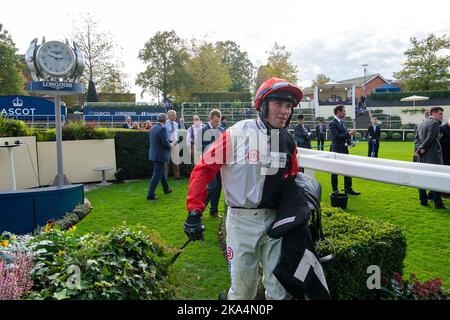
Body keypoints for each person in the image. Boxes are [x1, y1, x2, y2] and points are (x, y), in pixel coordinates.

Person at [184, 77, 302, 300]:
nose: (285, 111)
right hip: (241, 223)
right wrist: (194, 211)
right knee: (243, 292)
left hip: (276, 222)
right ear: (262, 105)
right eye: (279, 103)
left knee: (279, 291)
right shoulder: (237, 133)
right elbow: (204, 169)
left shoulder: (287, 140)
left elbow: (293, 178)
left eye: (289, 106)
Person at [414, 107, 448, 209]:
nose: (441, 115)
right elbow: (430, 137)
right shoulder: (434, 123)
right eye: (440, 113)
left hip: (423, 155)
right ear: (433, 113)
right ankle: (438, 203)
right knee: (437, 178)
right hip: (433, 155)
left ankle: (423, 200)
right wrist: (422, 148)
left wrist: (420, 149)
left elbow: (416, 140)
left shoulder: (421, 123)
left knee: (422, 177)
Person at [328, 105, 361, 195]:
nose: (345, 113)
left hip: (344, 150)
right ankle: (335, 190)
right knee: (335, 171)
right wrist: (349, 133)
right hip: (336, 150)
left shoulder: (344, 123)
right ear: (338, 112)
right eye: (343, 111)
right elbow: (336, 137)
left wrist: (349, 142)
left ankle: (348, 188)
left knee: (347, 169)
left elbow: (344, 136)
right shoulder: (332, 123)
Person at [200, 109, 224, 217]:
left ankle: (213, 210)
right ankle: (199, 211)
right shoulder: (203, 130)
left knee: (218, 187)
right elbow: (199, 147)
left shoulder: (221, 130)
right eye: (215, 122)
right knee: (212, 187)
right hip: (208, 163)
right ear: (210, 119)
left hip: (218, 163)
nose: (217, 124)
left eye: (218, 122)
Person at [147, 113, 172, 200]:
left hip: (155, 154)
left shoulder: (153, 127)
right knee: (156, 175)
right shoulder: (162, 128)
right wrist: (171, 146)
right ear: (165, 120)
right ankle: (150, 195)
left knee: (161, 173)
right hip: (160, 155)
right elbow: (164, 142)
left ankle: (166, 189)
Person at [165, 110, 181, 179]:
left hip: (175, 143)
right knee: (166, 160)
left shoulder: (176, 124)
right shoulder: (165, 124)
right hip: (168, 143)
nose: (175, 116)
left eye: (175, 115)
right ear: (169, 116)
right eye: (173, 115)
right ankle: (165, 176)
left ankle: (177, 175)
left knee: (176, 160)